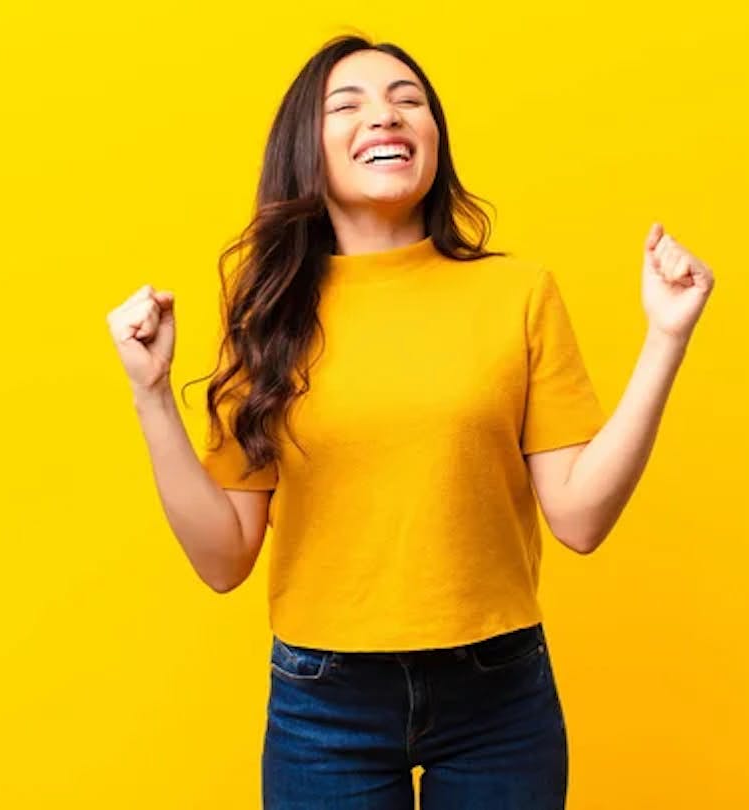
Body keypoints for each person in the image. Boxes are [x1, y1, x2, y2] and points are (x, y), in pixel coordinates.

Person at [106, 34, 714, 810]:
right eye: (348, 104)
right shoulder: (268, 312)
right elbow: (224, 559)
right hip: (325, 702)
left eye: (407, 101)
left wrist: (667, 337)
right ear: (308, 146)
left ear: (434, 137)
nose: (385, 117)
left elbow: (582, 517)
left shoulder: (517, 294)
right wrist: (151, 394)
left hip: (499, 693)